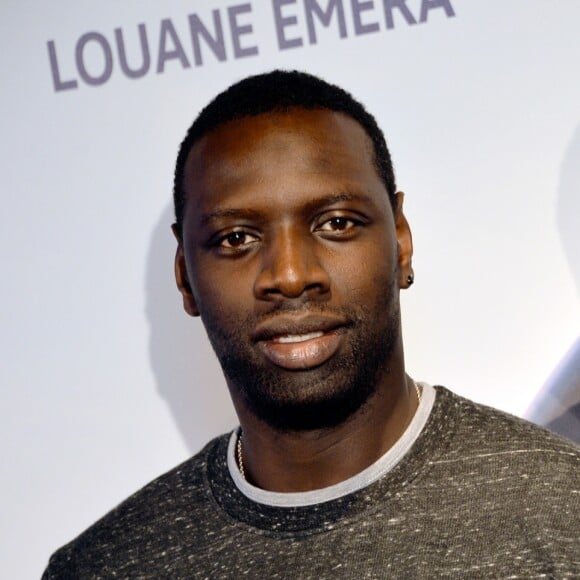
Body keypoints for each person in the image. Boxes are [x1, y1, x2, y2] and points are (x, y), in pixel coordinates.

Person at [43, 70, 579, 578]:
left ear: (401, 242)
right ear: (186, 278)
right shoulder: (105, 568)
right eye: (236, 238)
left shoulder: (564, 508)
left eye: (336, 224)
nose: (292, 276)